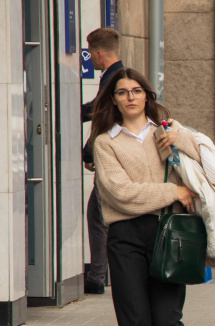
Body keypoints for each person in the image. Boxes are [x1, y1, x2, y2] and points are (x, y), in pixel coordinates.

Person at [89, 67, 200, 326]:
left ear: (147, 96)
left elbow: (199, 165)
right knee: (134, 320)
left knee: (167, 320)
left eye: (137, 90)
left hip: (170, 234)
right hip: (125, 238)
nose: (131, 97)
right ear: (114, 100)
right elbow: (119, 193)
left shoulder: (167, 131)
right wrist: (172, 192)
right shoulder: (106, 142)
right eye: (122, 92)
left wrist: (176, 144)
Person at [81, 27, 124, 295]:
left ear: (99, 53)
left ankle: (102, 276)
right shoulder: (116, 75)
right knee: (96, 215)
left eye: (91, 55)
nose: (91, 60)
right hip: (110, 155)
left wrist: (88, 152)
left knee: (104, 217)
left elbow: (101, 115)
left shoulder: (114, 78)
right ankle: (97, 276)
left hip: (110, 157)